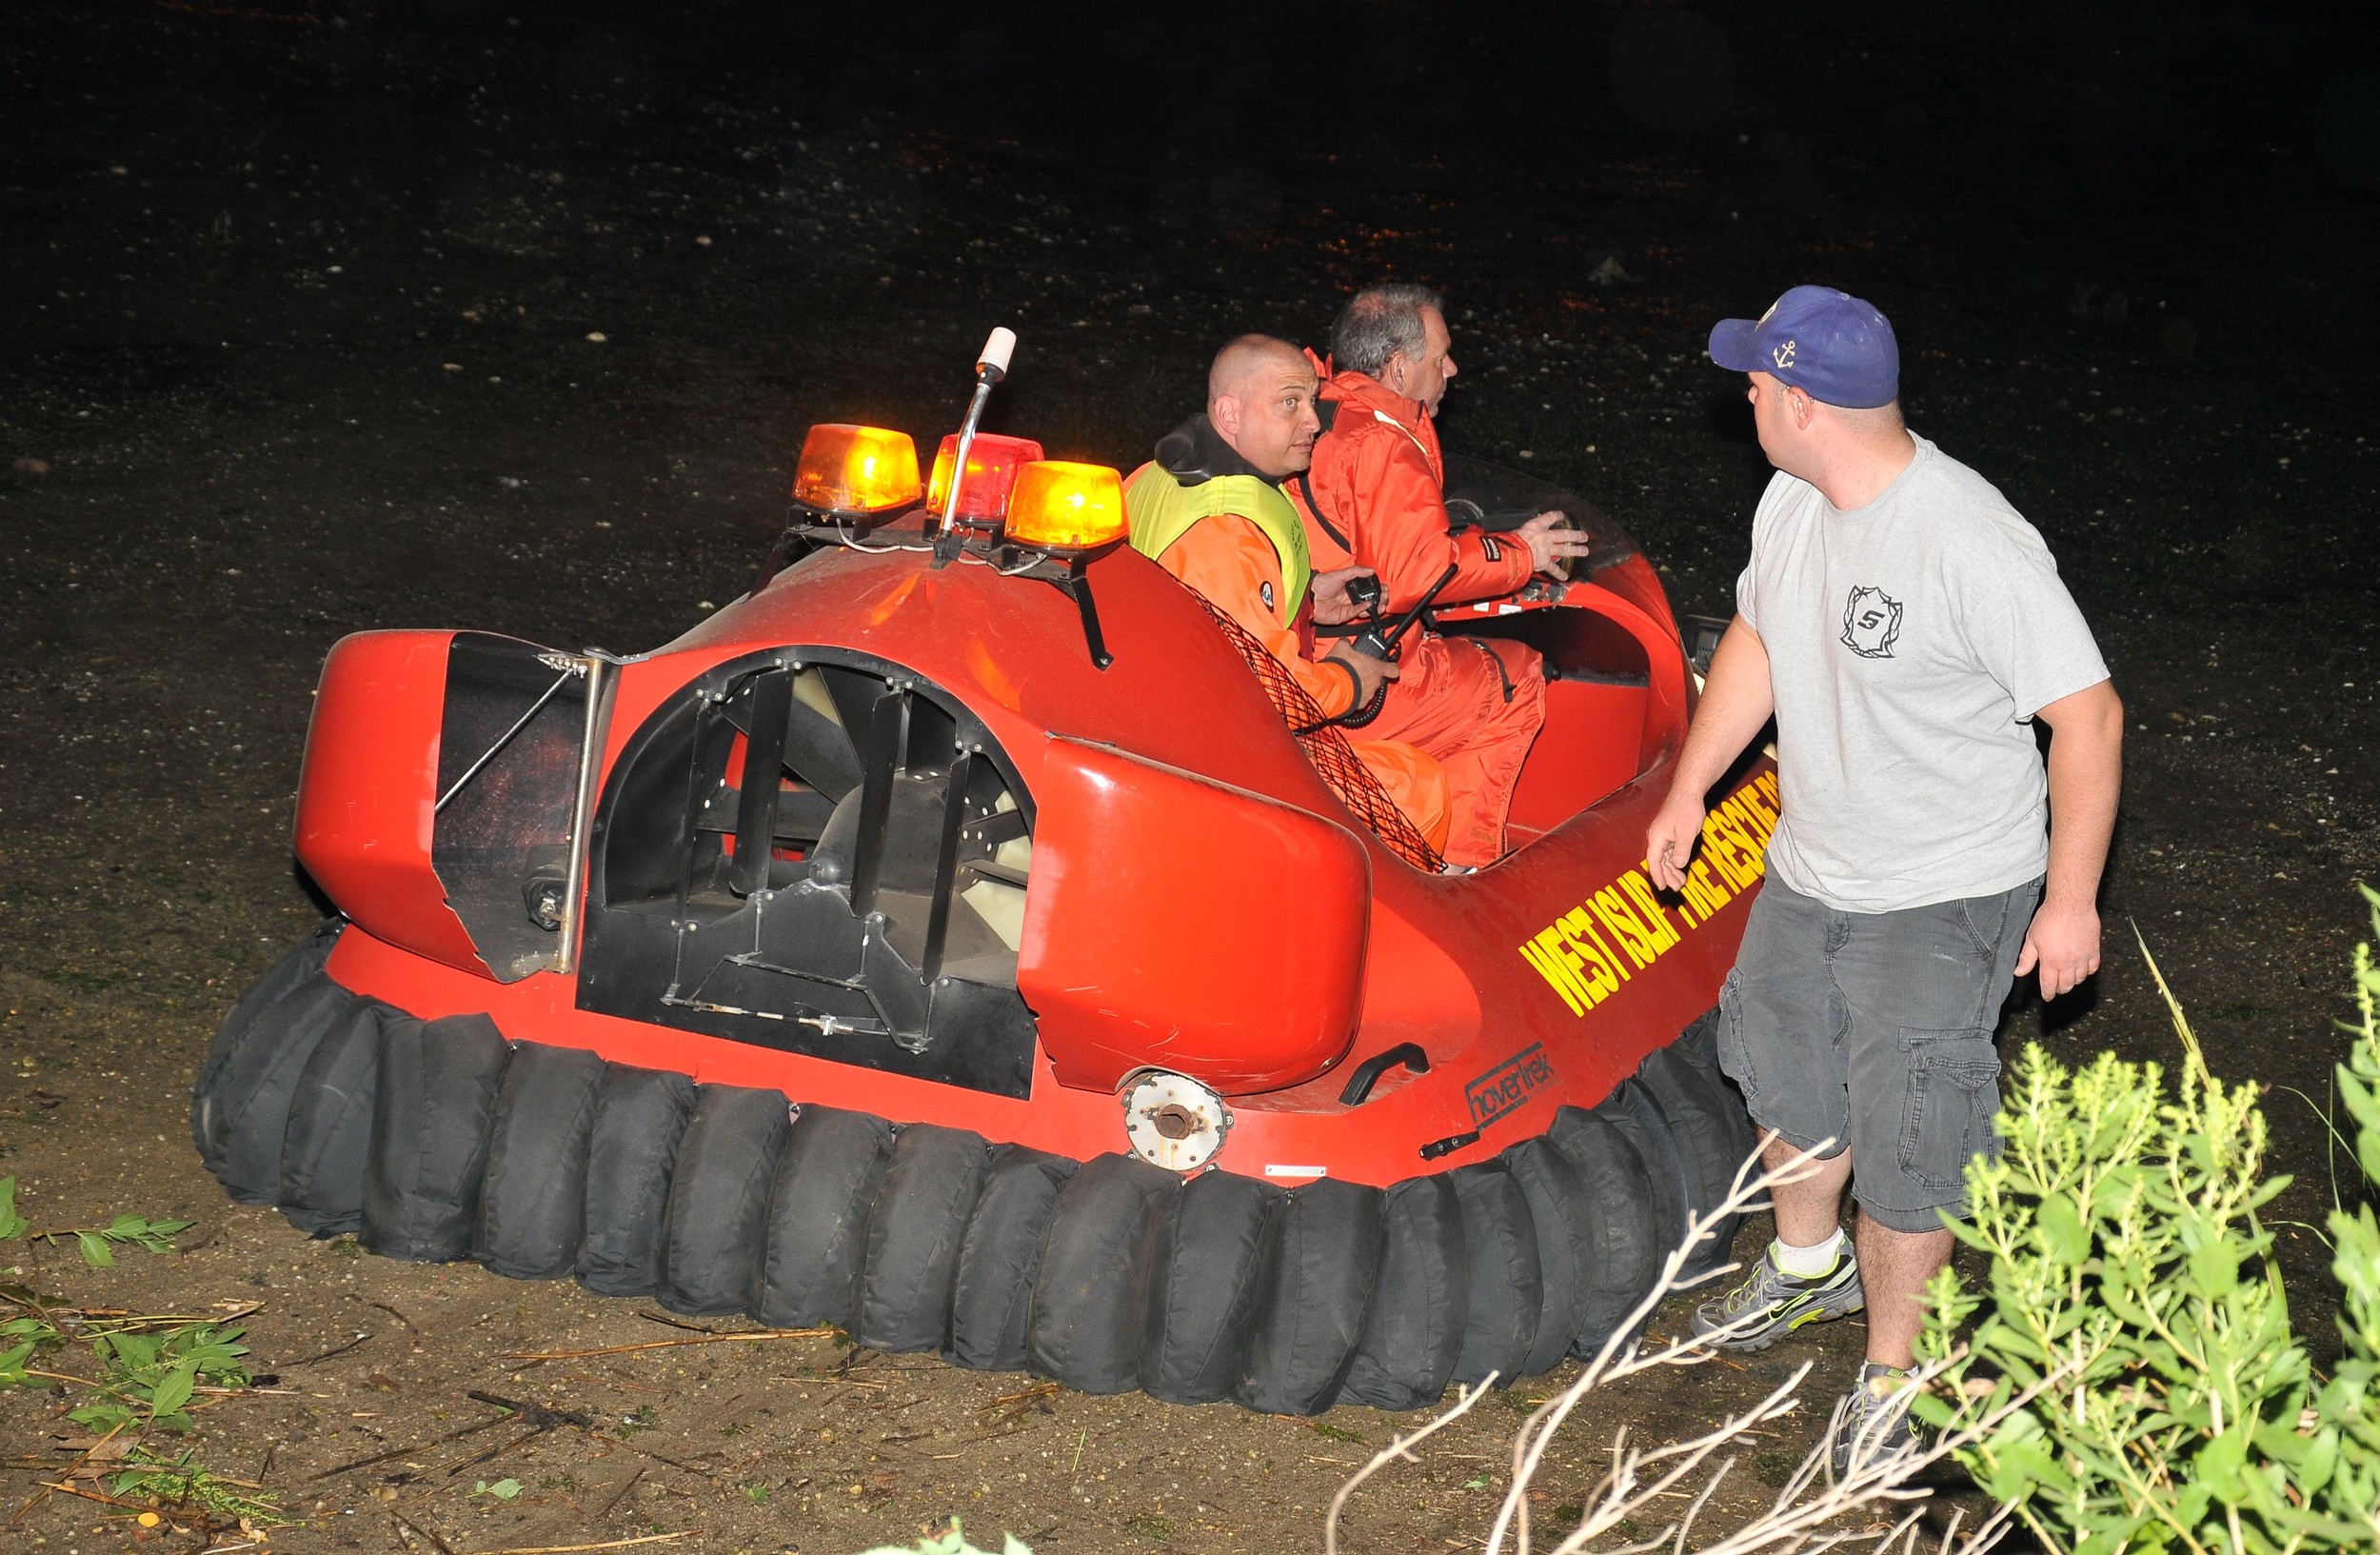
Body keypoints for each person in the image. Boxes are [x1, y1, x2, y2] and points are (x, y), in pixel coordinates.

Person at [1642, 285, 2122, 1475]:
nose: (1741, 392)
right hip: (1814, 863)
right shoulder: (1794, 497)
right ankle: (1805, 1271)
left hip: (1949, 886)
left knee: (1914, 1133)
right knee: (1781, 1064)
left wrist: (2069, 900)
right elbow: (1758, 633)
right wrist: (1690, 784)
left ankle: (1896, 1375)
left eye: (1756, 378)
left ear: (1801, 400)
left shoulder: (1967, 536)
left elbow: (2089, 714)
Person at [1291, 283, 1588, 867]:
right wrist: (1522, 554)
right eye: (1441, 355)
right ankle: (1462, 872)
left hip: (1297, 653)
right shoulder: (1383, 443)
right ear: (1398, 367)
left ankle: (1413, 828)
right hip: (1350, 676)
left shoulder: (1319, 410)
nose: (1452, 369)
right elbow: (1414, 573)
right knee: (1514, 677)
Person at [1125, 334, 1451, 854]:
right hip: (1215, 760)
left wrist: (1310, 600)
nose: (1314, 422)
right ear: (1230, 413)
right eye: (1288, 404)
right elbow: (1273, 694)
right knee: (1418, 787)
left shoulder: (1159, 474)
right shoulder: (1225, 533)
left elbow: (1211, 611)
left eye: (1310, 401)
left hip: (1164, 714)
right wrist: (1350, 678)